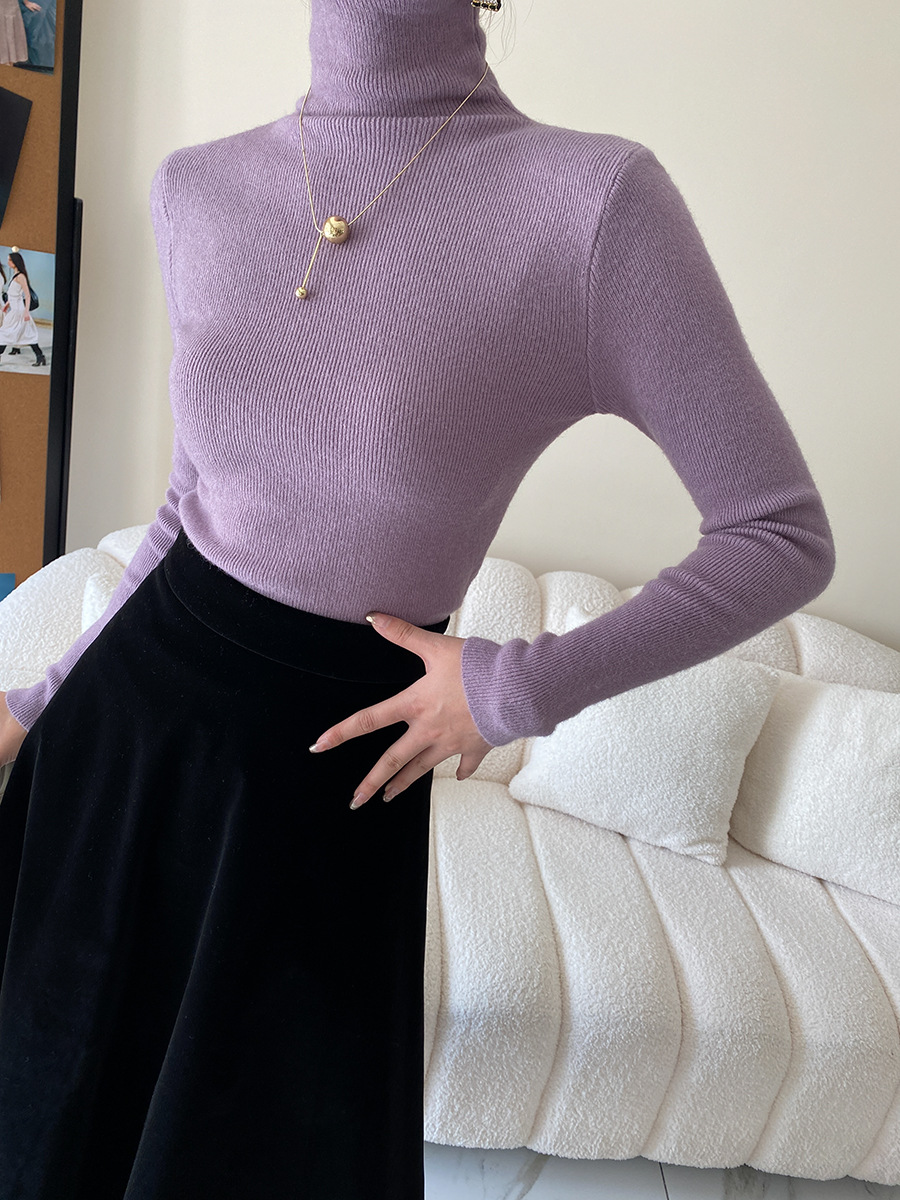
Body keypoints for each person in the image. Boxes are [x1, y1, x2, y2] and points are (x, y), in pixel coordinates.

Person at [0, 0, 836, 1196]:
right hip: (117, 740)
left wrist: (514, 688)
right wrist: (36, 700)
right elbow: (193, 503)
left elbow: (779, 535)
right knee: (45, 1111)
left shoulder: (592, 208)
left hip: (325, 780)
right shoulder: (197, 188)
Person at [0, 251, 46, 366]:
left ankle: (40, 357)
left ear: (15, 262)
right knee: (24, 335)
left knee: (5, 333)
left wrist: (26, 312)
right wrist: (7, 304)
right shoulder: (15, 276)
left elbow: (27, 295)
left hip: (19, 312)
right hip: (14, 311)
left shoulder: (21, 277)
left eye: (10, 260)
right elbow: (14, 294)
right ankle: (40, 356)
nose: (8, 262)